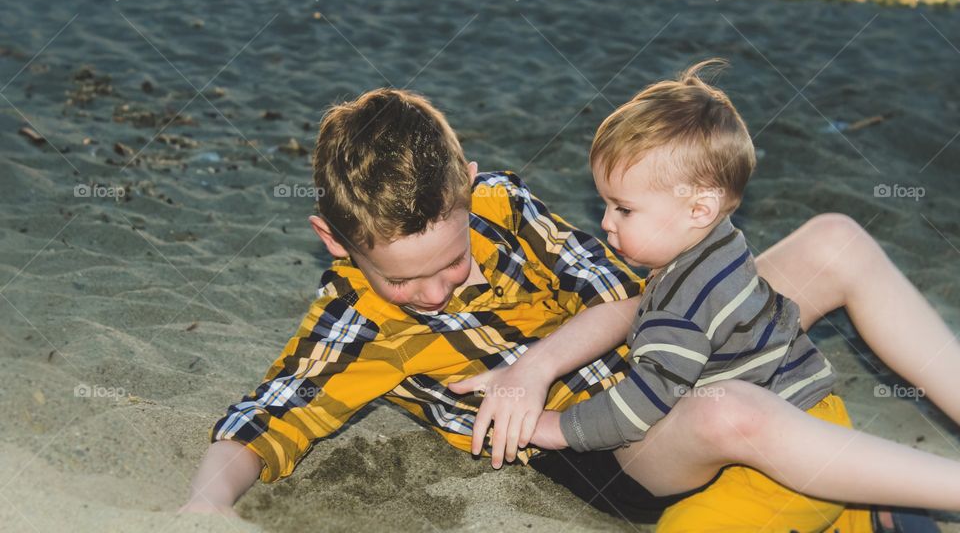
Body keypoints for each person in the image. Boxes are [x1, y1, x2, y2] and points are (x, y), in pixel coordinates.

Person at [180, 85, 954, 531]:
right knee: (733, 410)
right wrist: (204, 506)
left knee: (835, 241)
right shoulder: (357, 323)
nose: (439, 288)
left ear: (469, 186)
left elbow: (631, 294)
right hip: (621, 449)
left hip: (666, 343)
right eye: (406, 281)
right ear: (335, 241)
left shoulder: (501, 206)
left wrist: (533, 363)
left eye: (454, 259)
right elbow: (263, 419)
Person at [453, 61, 958, 531]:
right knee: (830, 242)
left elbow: (642, 402)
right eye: (606, 204)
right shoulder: (718, 243)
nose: (605, 222)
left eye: (623, 209)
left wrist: (558, 427)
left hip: (754, 454)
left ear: (699, 209)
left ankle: (873, 499)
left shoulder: (681, 305)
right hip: (808, 412)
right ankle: (870, 508)